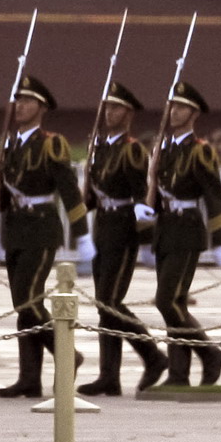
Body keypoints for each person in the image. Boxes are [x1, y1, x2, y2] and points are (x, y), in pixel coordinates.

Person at [0, 74, 85, 399]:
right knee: (25, 305)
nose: (20, 106)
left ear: (41, 107)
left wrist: (81, 233)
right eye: (18, 100)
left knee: (26, 299)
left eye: (28, 101)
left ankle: (68, 354)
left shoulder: (51, 143)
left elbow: (68, 189)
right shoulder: (10, 143)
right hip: (14, 227)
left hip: (41, 228)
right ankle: (29, 377)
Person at [78, 81, 167, 396]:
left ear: (128, 113)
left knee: (110, 302)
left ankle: (152, 355)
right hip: (103, 226)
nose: (109, 112)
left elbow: (143, 194)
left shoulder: (131, 149)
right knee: (105, 305)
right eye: (107, 107)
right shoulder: (100, 147)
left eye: (116, 107)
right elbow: (94, 194)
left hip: (123, 229)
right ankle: (109, 376)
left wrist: (145, 240)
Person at [147, 80, 221, 386]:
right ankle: (178, 374)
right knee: (176, 303)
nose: (174, 111)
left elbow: (214, 195)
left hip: (187, 230)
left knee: (166, 301)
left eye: (181, 107)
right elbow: (156, 192)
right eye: (172, 105)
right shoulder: (164, 149)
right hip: (166, 229)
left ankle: (211, 354)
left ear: (194, 113)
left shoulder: (200, 151)